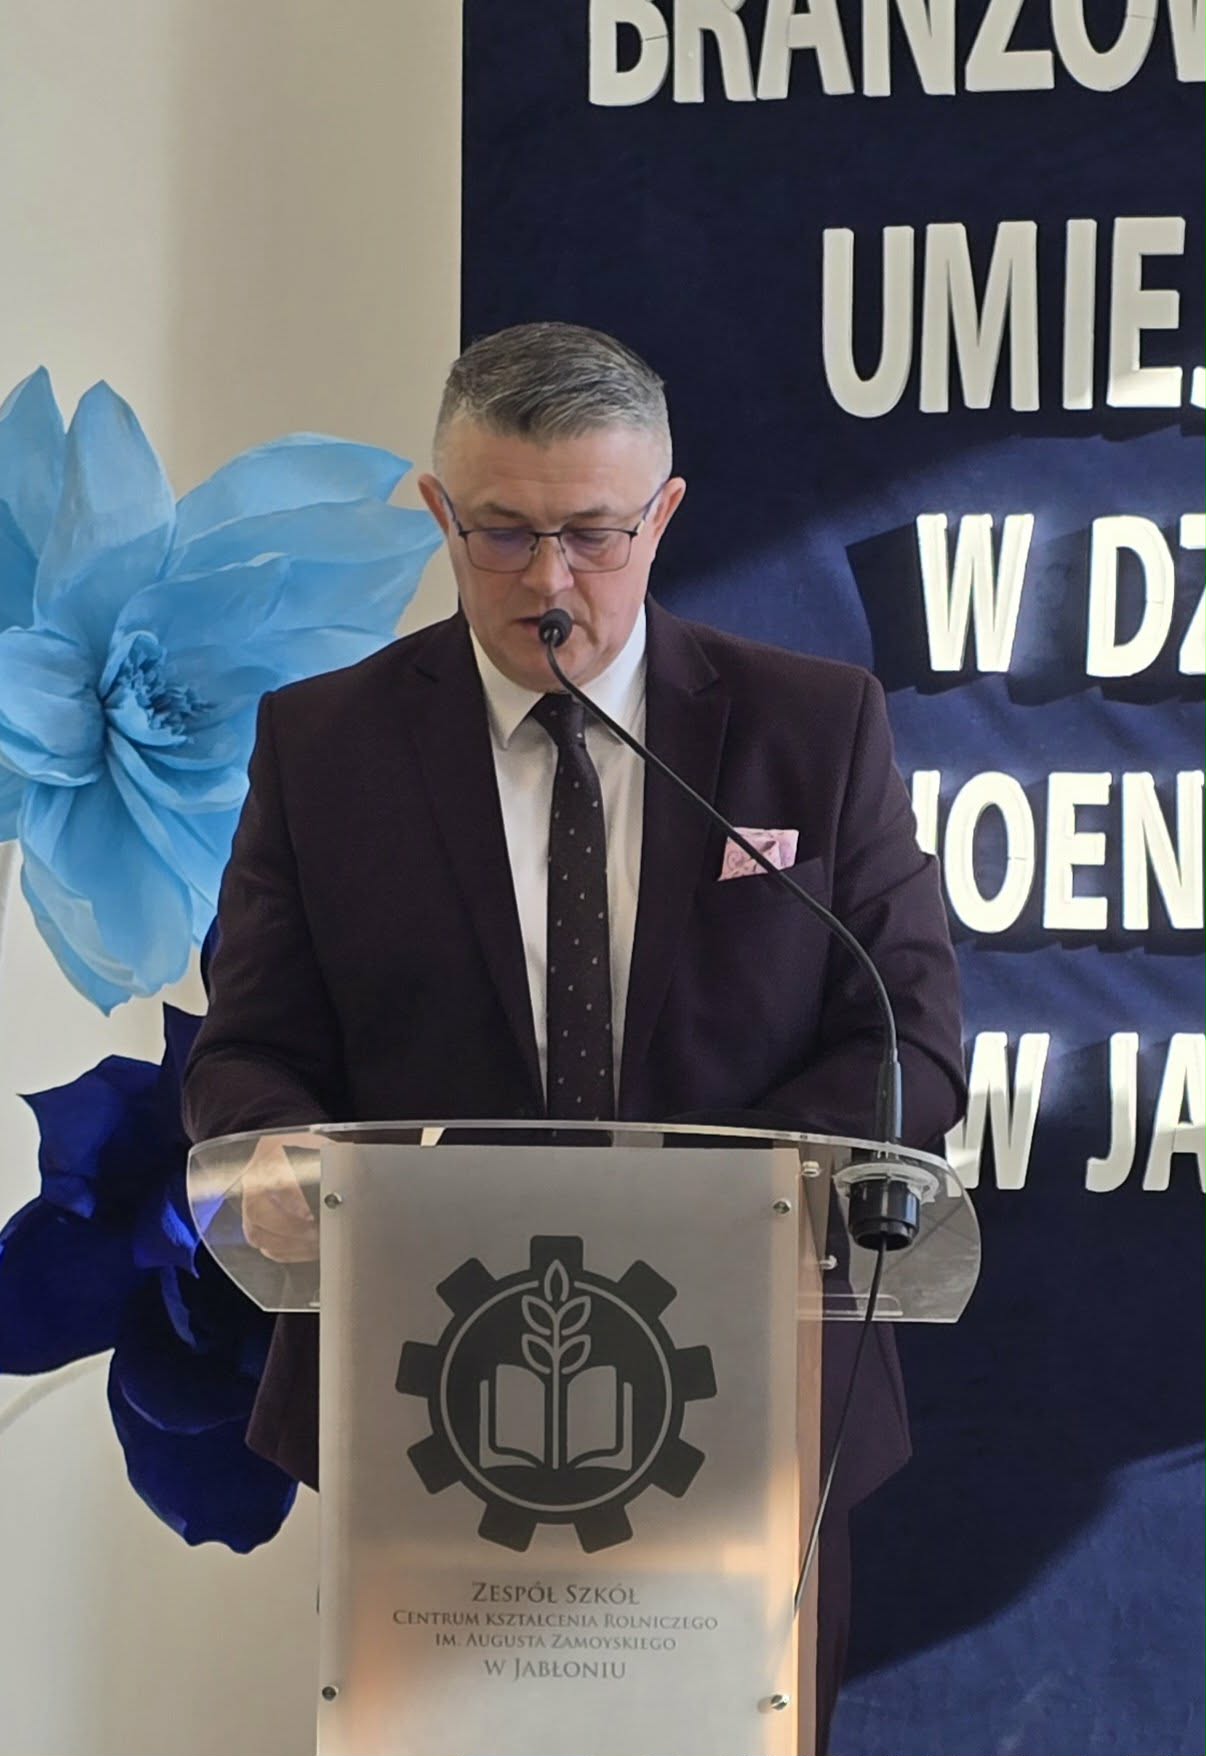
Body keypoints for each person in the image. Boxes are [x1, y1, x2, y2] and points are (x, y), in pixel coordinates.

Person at [183, 321, 965, 1751]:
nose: (549, 581)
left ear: (662, 517)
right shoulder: (324, 747)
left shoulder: (811, 729)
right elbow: (250, 1046)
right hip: (429, 1404)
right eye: (501, 533)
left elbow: (904, 1031)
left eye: (595, 535)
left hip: (752, 1397)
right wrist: (273, 1152)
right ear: (439, 512)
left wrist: (728, 1211)